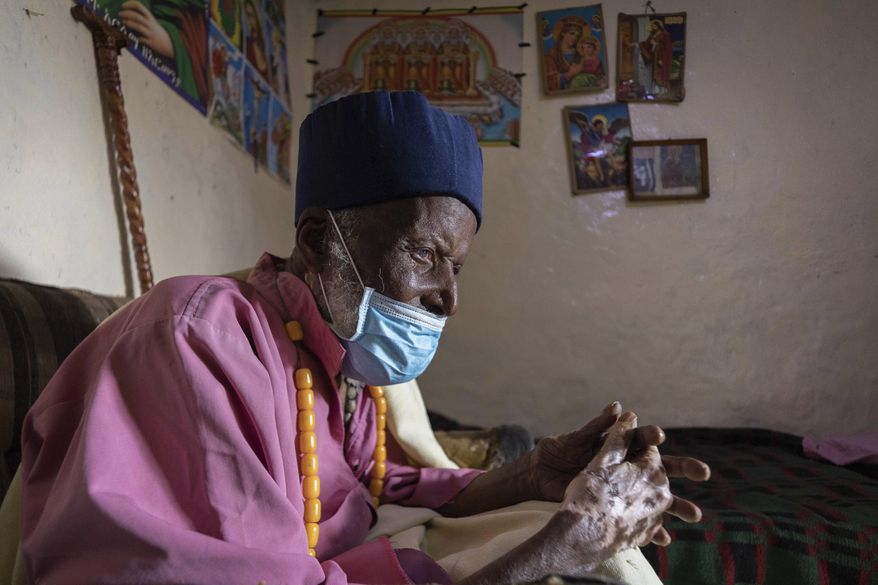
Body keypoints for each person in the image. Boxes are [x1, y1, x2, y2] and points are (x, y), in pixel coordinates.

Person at [18, 91, 709, 585]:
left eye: (457, 265)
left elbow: (381, 485)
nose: (450, 297)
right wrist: (558, 545)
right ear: (320, 240)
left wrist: (533, 473)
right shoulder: (197, 343)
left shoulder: (331, 351)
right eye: (423, 254)